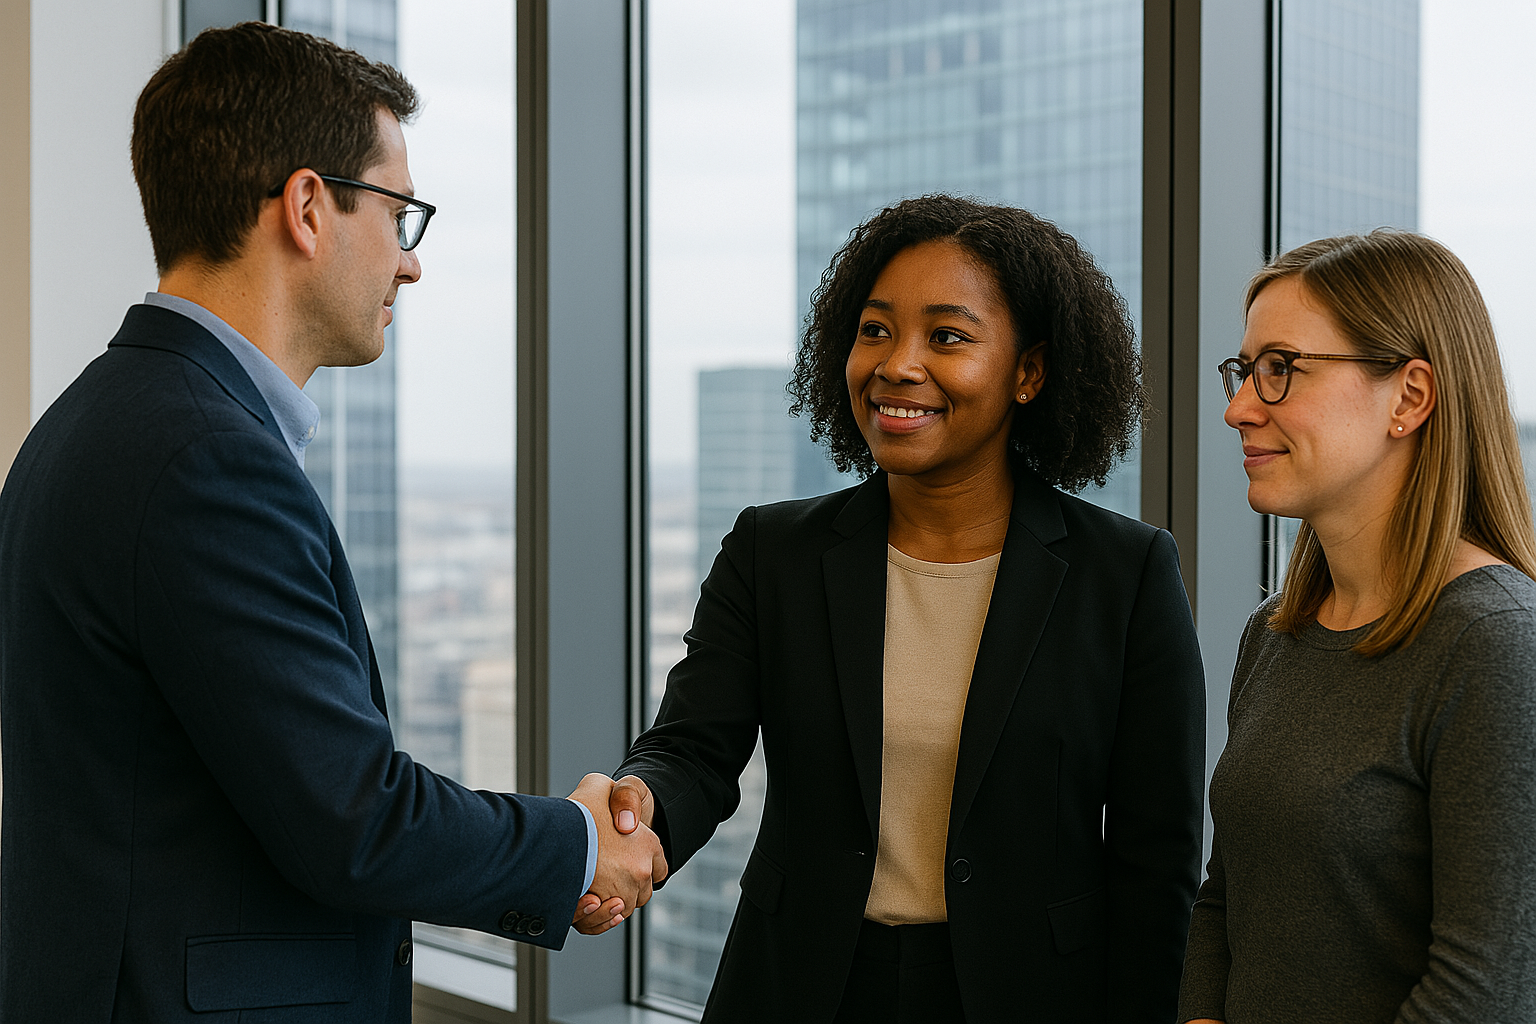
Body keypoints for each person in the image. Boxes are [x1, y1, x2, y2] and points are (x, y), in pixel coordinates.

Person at [0, 23, 661, 1023]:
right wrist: (573, 841)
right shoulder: (202, 457)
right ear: (309, 207)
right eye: (401, 215)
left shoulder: (91, 418)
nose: (409, 264)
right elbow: (353, 818)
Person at [602, 195, 1206, 1021]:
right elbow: (694, 750)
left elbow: (1156, 858)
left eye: (947, 337)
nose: (896, 364)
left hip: (1031, 997)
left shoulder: (1126, 573)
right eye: (876, 330)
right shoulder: (772, 552)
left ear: (1028, 372)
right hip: (802, 987)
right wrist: (640, 805)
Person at [1179, 231, 1536, 1023]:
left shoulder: (1497, 642)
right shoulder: (1273, 635)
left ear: (1409, 397)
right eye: (1244, 372)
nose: (1239, 408)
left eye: (1281, 370)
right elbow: (1226, 898)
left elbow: (1490, 990)